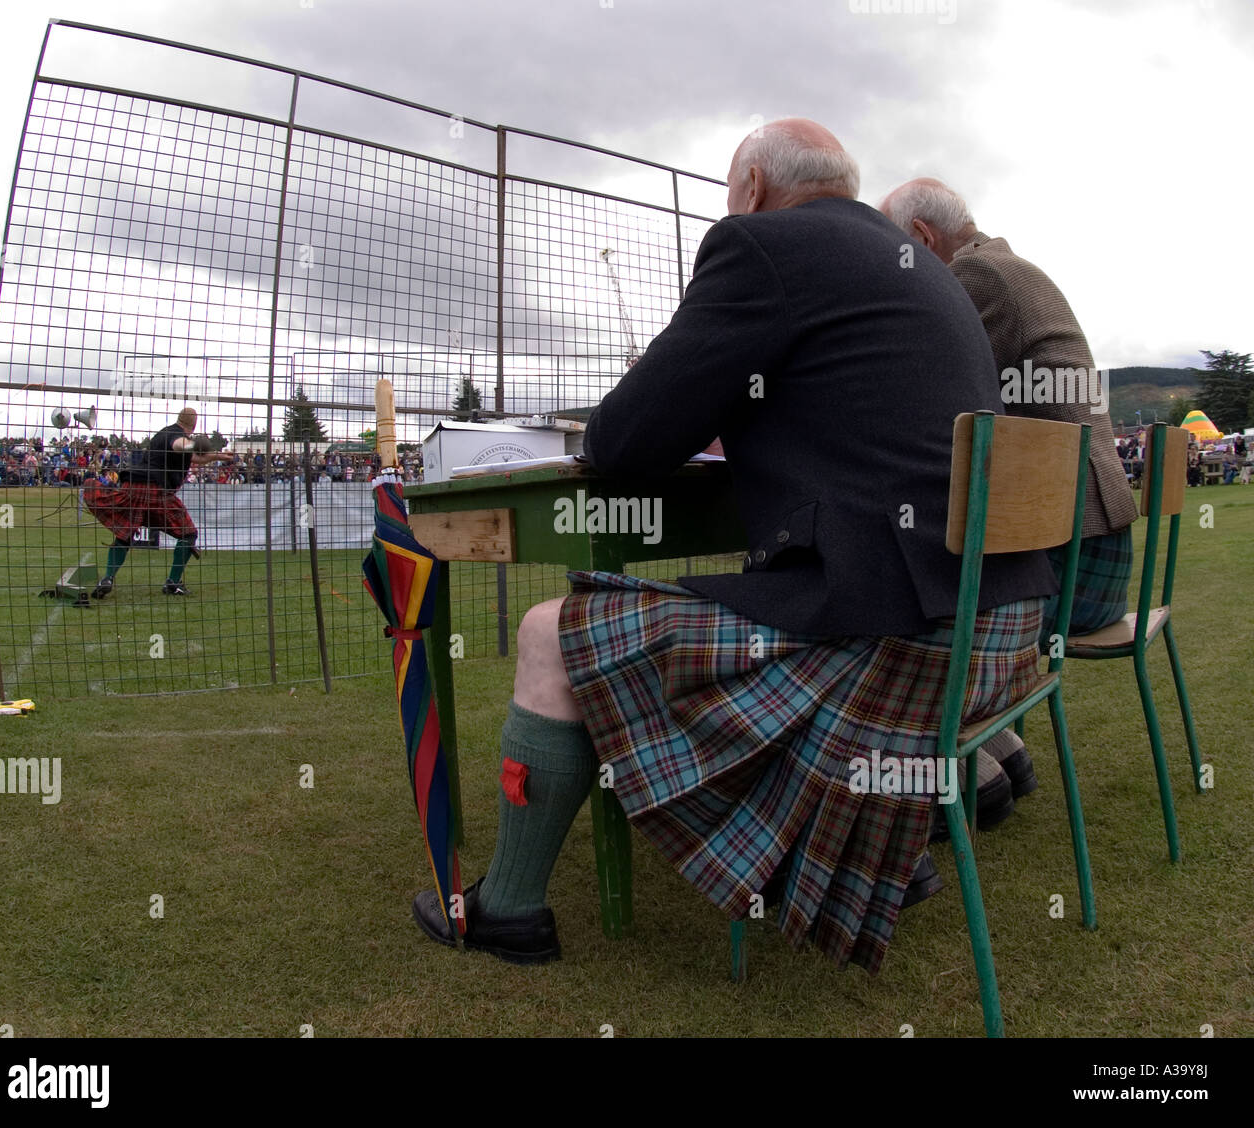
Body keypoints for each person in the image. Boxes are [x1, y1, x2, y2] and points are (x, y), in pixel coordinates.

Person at [411, 120, 1057, 971]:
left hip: (903, 646)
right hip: (1001, 635)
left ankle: (508, 908)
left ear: (751, 185)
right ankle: (868, 846)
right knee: (742, 598)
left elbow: (626, 439)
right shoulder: (915, 266)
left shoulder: (760, 243)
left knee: (548, 634)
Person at [880, 179, 1141, 805]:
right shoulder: (1005, 268)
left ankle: (957, 776)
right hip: (1094, 556)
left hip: (1074, 566)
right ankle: (999, 751)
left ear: (921, 238)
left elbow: (911, 387)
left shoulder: (974, 280)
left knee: (896, 612)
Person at [83, 407, 234, 597]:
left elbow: (194, 457)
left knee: (125, 534)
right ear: (194, 424)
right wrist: (194, 443)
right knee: (188, 534)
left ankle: (107, 578)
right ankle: (173, 583)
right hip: (154, 489)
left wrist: (218, 456)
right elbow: (180, 445)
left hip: (133, 487)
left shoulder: (162, 433)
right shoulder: (177, 435)